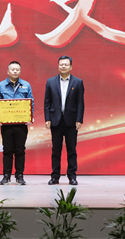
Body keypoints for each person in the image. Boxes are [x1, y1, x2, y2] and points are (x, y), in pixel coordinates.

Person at [44, 55, 84, 185]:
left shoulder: (78, 82)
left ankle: (72, 176)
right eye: (61, 64)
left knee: (71, 150)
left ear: (71, 67)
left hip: (71, 122)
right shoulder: (50, 82)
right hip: (55, 121)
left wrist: (79, 119)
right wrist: (47, 118)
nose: (63, 66)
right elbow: (47, 102)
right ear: (58, 66)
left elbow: (80, 103)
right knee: (56, 150)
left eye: (66, 64)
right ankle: (55, 176)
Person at [0, 61, 34, 185]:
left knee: (20, 150)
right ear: (8, 71)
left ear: (20, 71)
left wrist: (30, 116)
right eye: (12, 69)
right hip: (6, 124)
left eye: (17, 69)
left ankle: (19, 175)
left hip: (21, 124)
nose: (15, 71)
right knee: (7, 150)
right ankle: (6, 176)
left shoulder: (26, 85)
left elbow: (31, 102)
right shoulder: (1, 85)